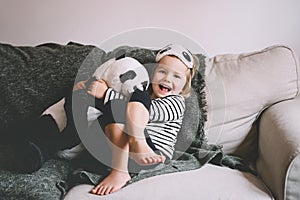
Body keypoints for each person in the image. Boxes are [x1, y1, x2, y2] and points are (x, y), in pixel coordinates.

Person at [89, 44, 198, 195]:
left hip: (153, 154)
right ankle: (124, 159)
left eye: (176, 76)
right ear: (152, 74)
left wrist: (107, 93)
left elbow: (149, 110)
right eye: (162, 71)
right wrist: (88, 88)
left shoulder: (176, 102)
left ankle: (129, 156)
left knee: (138, 97)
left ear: (184, 86)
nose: (167, 79)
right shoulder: (140, 95)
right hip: (122, 151)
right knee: (109, 111)